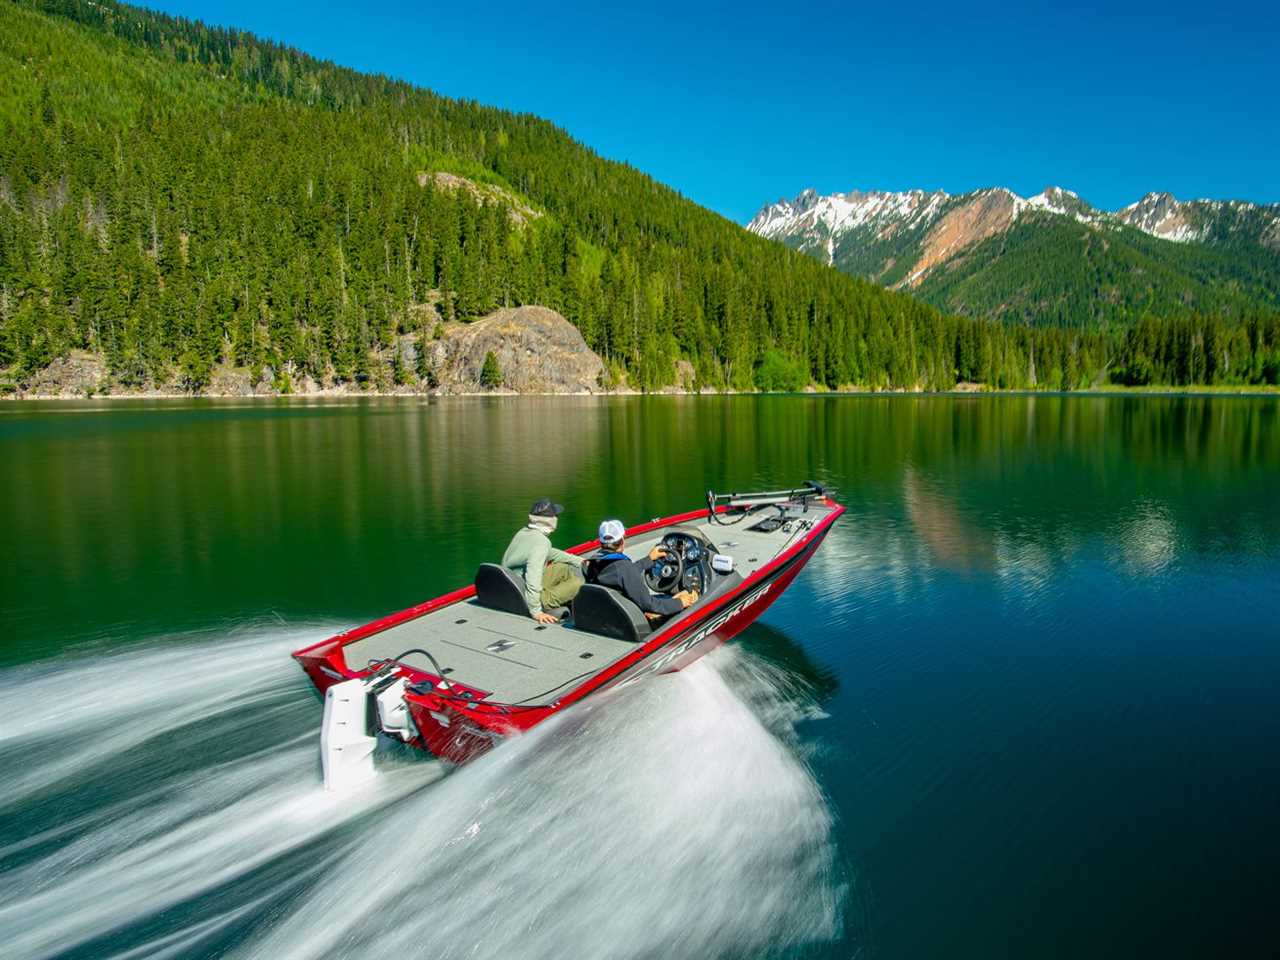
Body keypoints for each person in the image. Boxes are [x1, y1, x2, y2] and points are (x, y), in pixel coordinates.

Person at [585, 519, 698, 619]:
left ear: (601, 542)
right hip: (635, 620)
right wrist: (680, 603)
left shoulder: (594, 562)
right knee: (689, 595)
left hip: (614, 614)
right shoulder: (624, 568)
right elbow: (649, 604)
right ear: (623, 540)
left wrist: (649, 559)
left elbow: (623, 573)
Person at [502, 498, 586, 623]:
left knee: (562, 567)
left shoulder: (524, 532)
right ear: (550, 521)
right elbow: (533, 577)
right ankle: (551, 603)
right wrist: (536, 612)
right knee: (577, 584)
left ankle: (565, 598)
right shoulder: (541, 542)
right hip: (525, 594)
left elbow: (551, 553)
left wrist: (580, 561)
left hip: (513, 586)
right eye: (556, 515)